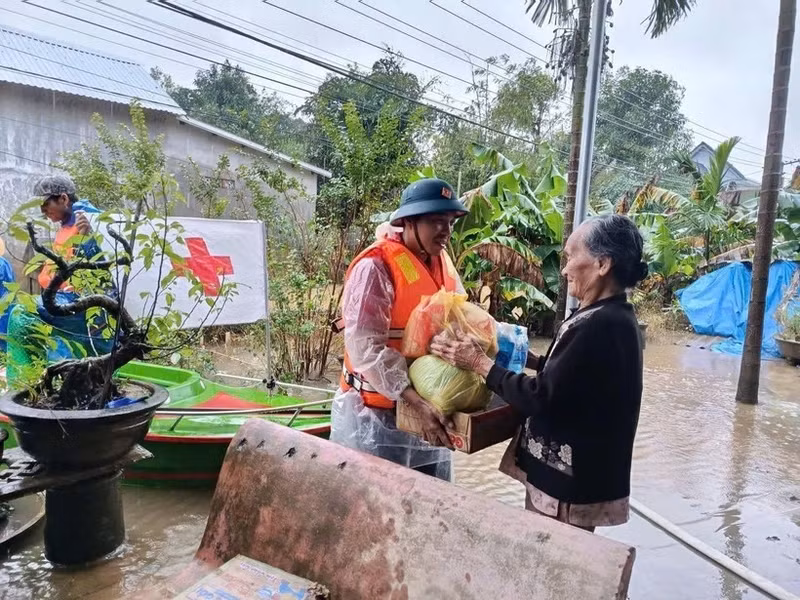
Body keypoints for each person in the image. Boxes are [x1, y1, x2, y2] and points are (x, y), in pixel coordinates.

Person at [431, 214, 648, 530]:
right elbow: (569, 380)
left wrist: (479, 364)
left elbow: (540, 397)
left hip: (567, 491)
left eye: (572, 256)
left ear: (603, 264)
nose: (564, 269)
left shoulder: (600, 324)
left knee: (555, 564)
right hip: (572, 480)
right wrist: (519, 356)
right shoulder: (609, 315)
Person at [330, 178, 468, 481]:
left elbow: (461, 316)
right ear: (407, 221)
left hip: (429, 405)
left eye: (450, 222)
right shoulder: (375, 267)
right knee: (378, 506)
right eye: (436, 222)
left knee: (432, 503)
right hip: (377, 415)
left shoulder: (440, 261)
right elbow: (366, 349)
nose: (446, 231)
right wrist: (415, 403)